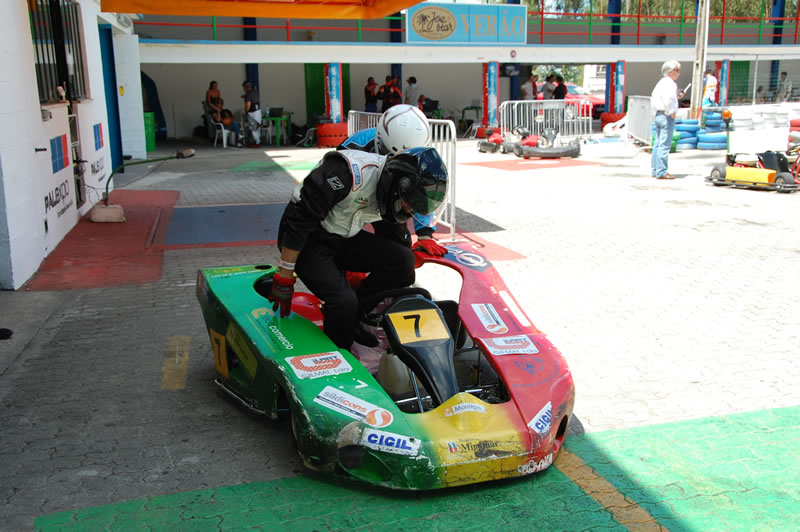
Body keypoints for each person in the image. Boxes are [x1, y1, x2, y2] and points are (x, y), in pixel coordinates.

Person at [269, 146, 448, 350]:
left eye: (414, 206)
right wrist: (284, 276)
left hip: (343, 236)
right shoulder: (347, 173)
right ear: (398, 183)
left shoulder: (392, 195)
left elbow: (397, 245)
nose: (408, 209)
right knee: (343, 301)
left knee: (403, 262)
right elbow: (299, 221)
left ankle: (352, 319)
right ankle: (340, 352)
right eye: (408, 202)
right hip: (306, 238)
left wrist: (421, 242)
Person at [337, 104, 447, 258]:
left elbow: (422, 190)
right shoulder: (351, 149)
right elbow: (339, 212)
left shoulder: (421, 156)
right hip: (356, 200)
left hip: (391, 199)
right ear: (380, 143)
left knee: (400, 251)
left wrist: (424, 234)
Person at [650, 60, 685, 180]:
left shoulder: (661, 83)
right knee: (664, 144)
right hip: (666, 115)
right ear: (670, 71)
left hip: (659, 114)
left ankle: (655, 169)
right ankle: (662, 171)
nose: (678, 73)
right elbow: (669, 99)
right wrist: (672, 112)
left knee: (658, 143)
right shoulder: (670, 84)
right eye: (676, 70)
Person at [241, 80, 262, 146]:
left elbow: (248, 105)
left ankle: (256, 142)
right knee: (257, 127)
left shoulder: (248, 94)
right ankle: (258, 141)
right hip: (258, 111)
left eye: (243, 87)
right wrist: (245, 97)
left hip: (252, 112)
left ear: (245, 87)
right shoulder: (255, 92)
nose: (243, 89)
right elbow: (252, 98)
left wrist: (245, 111)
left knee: (253, 128)